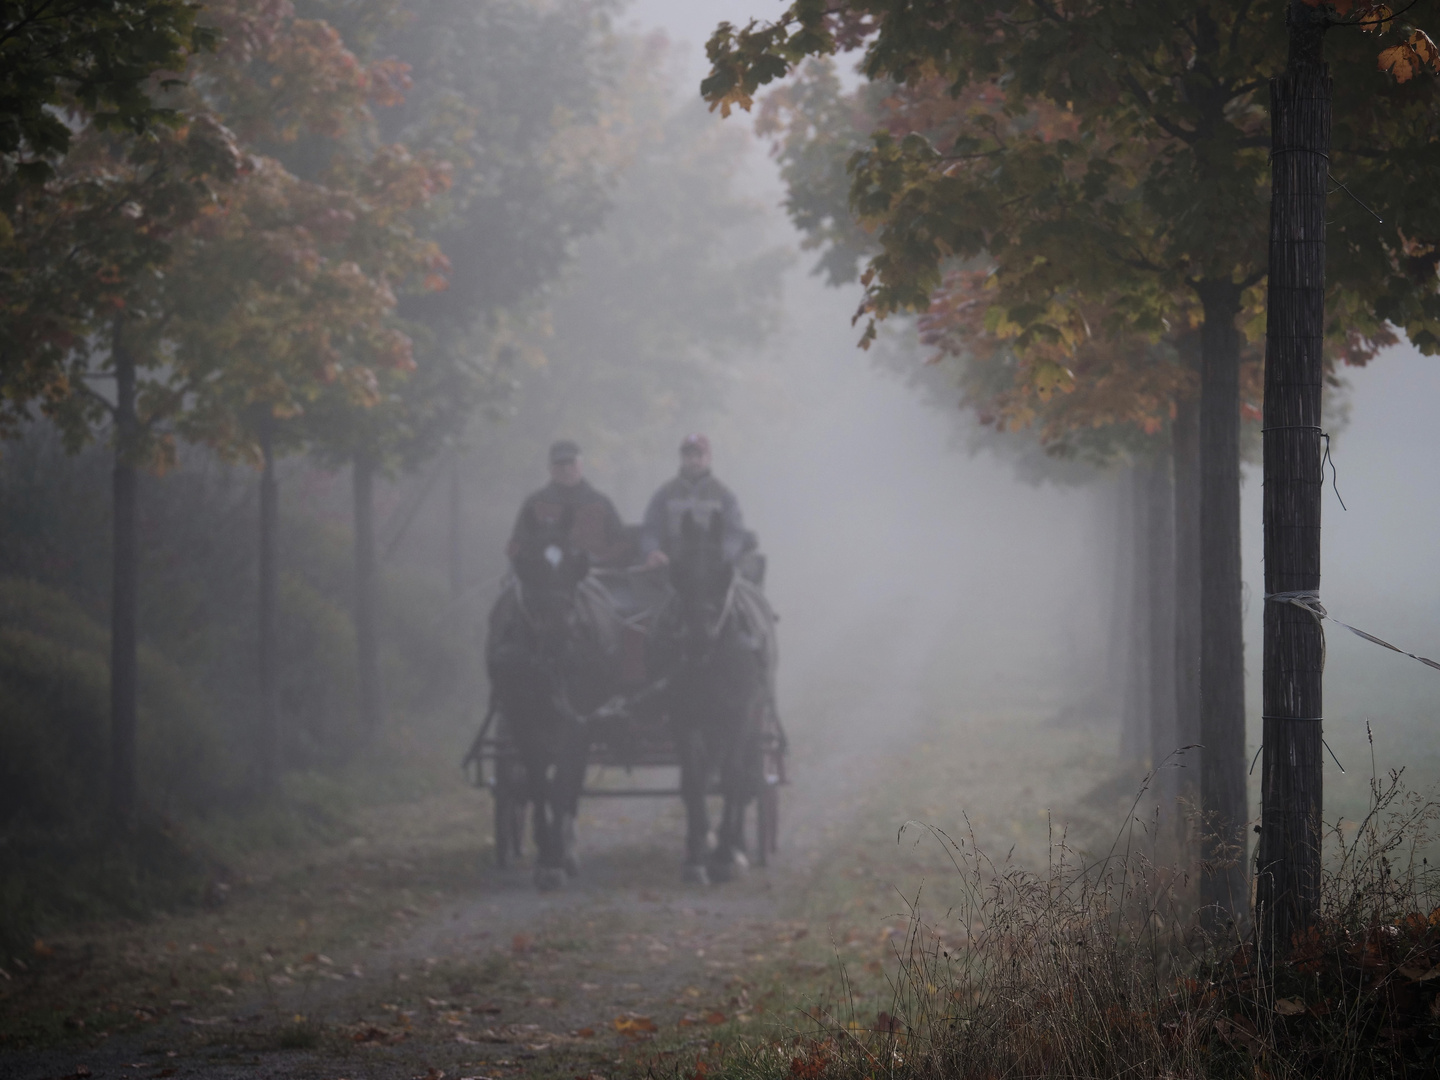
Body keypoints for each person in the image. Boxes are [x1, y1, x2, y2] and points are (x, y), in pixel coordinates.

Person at [641, 434, 758, 577]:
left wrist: (725, 555)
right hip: (671, 567)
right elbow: (650, 529)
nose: (693, 460)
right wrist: (652, 552)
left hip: (714, 569)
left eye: (699, 455)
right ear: (682, 458)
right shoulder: (664, 493)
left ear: (709, 458)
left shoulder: (724, 495)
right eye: (688, 456)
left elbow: (734, 533)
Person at [508, 440, 632, 568]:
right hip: (545, 580)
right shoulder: (535, 504)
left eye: (571, 463)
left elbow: (621, 545)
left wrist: (597, 560)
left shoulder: (601, 503)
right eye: (560, 464)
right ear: (550, 468)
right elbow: (517, 546)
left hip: (597, 576)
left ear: (581, 465)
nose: (566, 469)